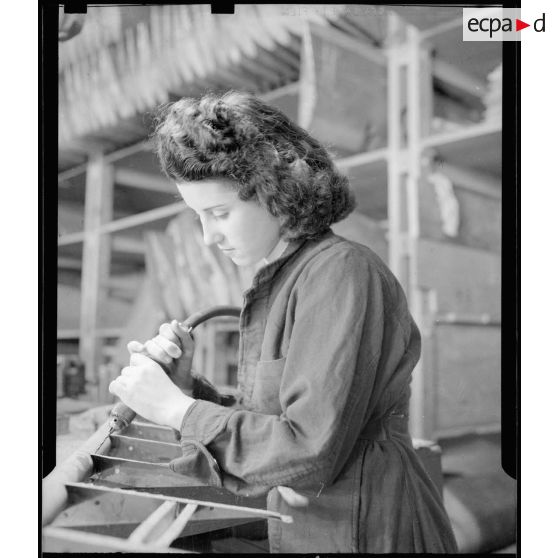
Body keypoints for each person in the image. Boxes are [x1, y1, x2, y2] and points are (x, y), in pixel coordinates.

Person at [109, 91, 458, 553]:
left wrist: (177, 411)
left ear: (277, 191)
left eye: (219, 213)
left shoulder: (340, 272)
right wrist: (187, 391)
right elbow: (276, 417)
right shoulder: (282, 280)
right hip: (320, 522)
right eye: (198, 216)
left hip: (370, 526)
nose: (209, 237)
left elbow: (307, 450)